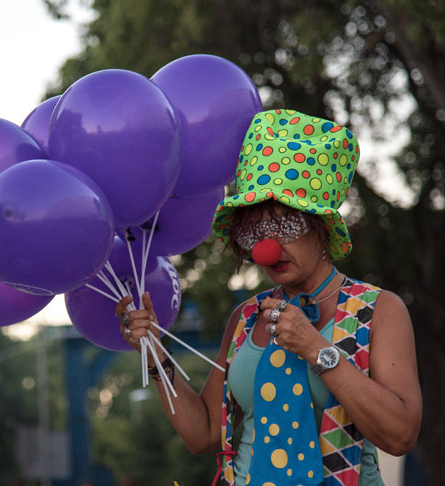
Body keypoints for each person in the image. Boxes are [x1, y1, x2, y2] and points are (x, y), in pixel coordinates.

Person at [115, 109, 422, 486]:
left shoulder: (377, 309)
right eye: (253, 231)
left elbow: (401, 435)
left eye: (284, 224)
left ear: (321, 227)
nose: (266, 248)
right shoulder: (245, 318)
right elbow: (206, 433)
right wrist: (154, 350)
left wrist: (315, 348)